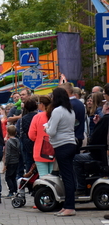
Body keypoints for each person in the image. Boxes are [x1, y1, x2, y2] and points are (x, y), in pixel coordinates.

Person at [45, 87, 77, 217]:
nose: (51, 98)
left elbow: (52, 131)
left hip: (61, 146)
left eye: (53, 96)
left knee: (67, 177)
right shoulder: (70, 111)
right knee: (69, 176)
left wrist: (46, 128)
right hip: (70, 144)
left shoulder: (57, 111)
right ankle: (67, 205)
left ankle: (69, 207)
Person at [74, 101, 109, 196]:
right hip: (102, 153)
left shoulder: (105, 120)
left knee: (75, 159)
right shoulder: (104, 120)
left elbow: (95, 139)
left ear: (107, 108)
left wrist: (87, 145)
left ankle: (80, 187)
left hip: (99, 154)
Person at [28, 95, 54, 176]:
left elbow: (31, 135)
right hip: (53, 149)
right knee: (53, 176)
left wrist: (39, 138)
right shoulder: (54, 115)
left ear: (42, 104)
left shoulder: (37, 117)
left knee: (43, 176)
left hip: (40, 150)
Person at [59, 82, 86, 152]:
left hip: (70, 139)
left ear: (66, 92)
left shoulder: (69, 105)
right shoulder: (79, 103)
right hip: (77, 137)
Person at [15, 98, 37, 177]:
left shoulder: (23, 119)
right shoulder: (38, 116)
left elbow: (20, 132)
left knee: (28, 162)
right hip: (37, 142)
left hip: (27, 143)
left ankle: (29, 181)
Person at [3, 125, 20, 198]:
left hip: (10, 162)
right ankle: (15, 190)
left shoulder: (9, 142)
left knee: (8, 177)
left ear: (8, 133)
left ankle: (11, 191)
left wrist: (5, 164)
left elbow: (8, 154)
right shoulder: (17, 141)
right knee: (13, 177)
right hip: (16, 161)